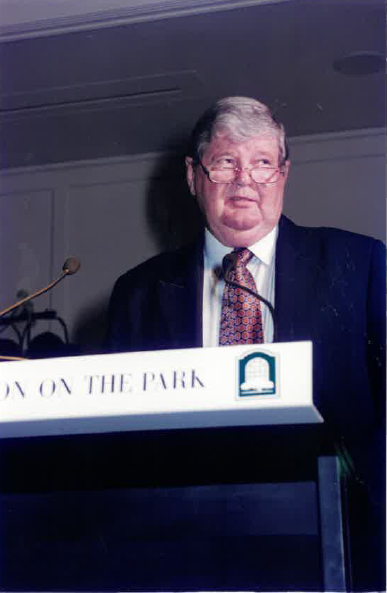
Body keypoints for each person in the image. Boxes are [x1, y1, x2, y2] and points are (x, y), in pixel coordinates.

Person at [106, 96, 385, 589]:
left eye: (262, 163)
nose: (244, 181)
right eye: (225, 163)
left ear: (283, 175)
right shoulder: (138, 293)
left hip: (337, 555)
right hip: (185, 557)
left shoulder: (359, 266)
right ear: (194, 177)